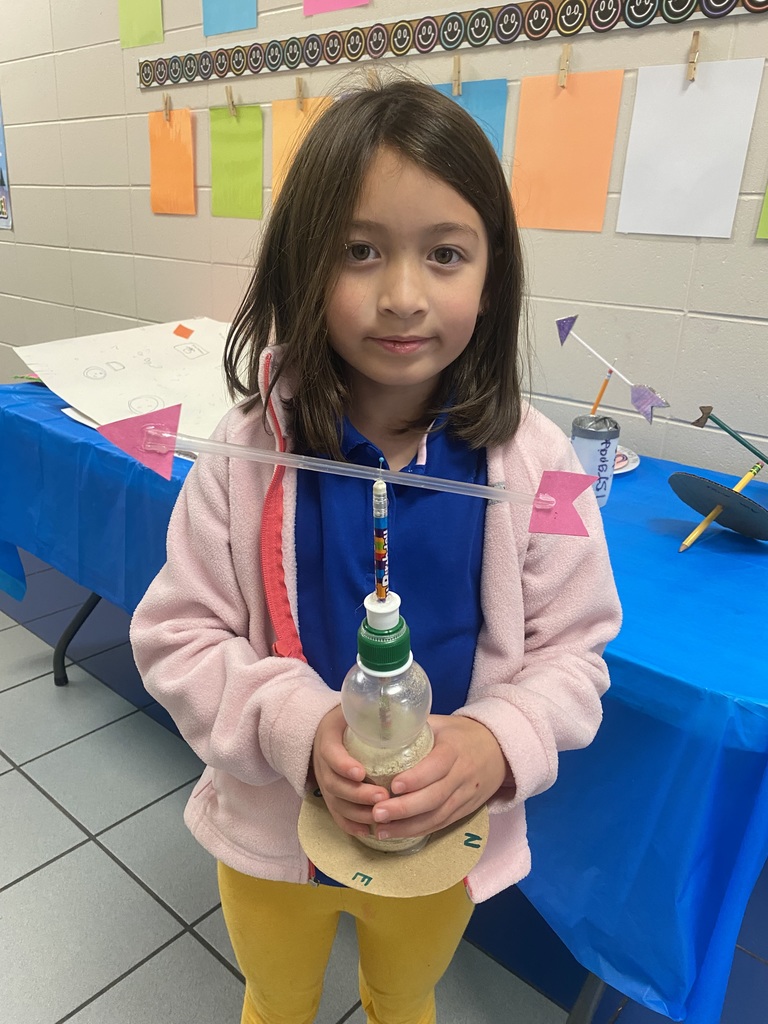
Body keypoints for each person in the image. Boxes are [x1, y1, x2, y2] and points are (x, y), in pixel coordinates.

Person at [131, 76, 621, 1024]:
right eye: (359, 252)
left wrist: (496, 741)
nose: (403, 296)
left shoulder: (542, 466)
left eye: (445, 253)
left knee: (405, 999)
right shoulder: (244, 452)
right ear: (301, 266)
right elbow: (177, 635)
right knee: (278, 1000)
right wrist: (297, 728)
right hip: (275, 834)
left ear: (493, 273)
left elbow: (577, 650)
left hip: (442, 838)